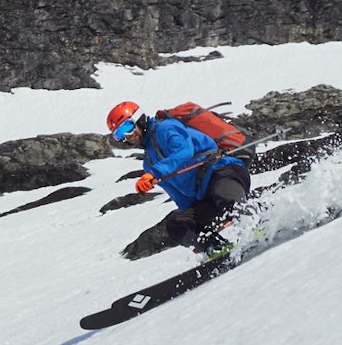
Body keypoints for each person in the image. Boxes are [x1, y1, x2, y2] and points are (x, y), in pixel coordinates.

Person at [106, 100, 251, 253]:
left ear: (139, 119)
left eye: (128, 127)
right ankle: (217, 250)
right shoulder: (148, 163)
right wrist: (194, 229)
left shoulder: (165, 128)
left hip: (223, 173)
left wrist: (154, 173)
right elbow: (181, 197)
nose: (127, 136)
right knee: (176, 225)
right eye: (119, 135)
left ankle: (259, 222)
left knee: (230, 202)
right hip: (206, 197)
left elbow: (184, 151)